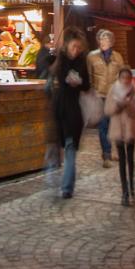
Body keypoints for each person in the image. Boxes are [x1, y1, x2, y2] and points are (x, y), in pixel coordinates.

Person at [52, 27, 90, 199]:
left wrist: (79, 83)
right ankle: (60, 182)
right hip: (60, 108)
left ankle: (67, 187)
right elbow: (58, 76)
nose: (76, 50)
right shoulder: (60, 60)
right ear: (67, 45)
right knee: (64, 147)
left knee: (69, 148)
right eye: (74, 46)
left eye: (79, 47)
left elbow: (88, 85)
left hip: (73, 111)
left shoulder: (82, 62)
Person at [105, 66, 135, 206]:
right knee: (122, 161)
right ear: (119, 78)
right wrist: (118, 106)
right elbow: (107, 110)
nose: (125, 81)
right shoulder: (113, 90)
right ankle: (124, 191)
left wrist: (129, 105)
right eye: (123, 78)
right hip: (118, 129)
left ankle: (132, 187)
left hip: (130, 129)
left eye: (128, 78)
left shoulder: (134, 91)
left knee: (131, 160)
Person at [87, 29, 124, 168]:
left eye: (106, 39)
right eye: (101, 39)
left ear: (111, 42)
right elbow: (89, 76)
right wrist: (91, 93)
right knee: (103, 126)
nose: (104, 42)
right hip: (99, 96)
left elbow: (123, 75)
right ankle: (106, 155)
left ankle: (113, 151)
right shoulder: (92, 57)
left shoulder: (118, 57)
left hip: (113, 96)